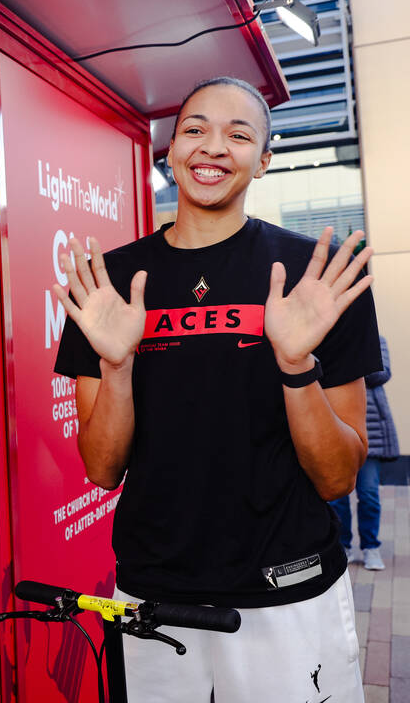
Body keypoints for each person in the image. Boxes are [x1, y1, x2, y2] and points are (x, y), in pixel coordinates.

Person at [54, 77, 380, 703]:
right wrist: (117, 366)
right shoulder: (111, 283)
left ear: (264, 159)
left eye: (239, 134)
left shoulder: (317, 280)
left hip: (289, 590)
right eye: (196, 130)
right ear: (170, 151)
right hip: (153, 592)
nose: (213, 148)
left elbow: (339, 476)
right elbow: (100, 469)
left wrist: (295, 361)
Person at [331, 335, 399, 570]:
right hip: (338, 431)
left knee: (369, 495)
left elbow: (382, 373)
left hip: (372, 435)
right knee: (337, 498)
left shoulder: (375, 339)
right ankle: (343, 546)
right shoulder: (330, 336)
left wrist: (353, 355)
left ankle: (371, 547)